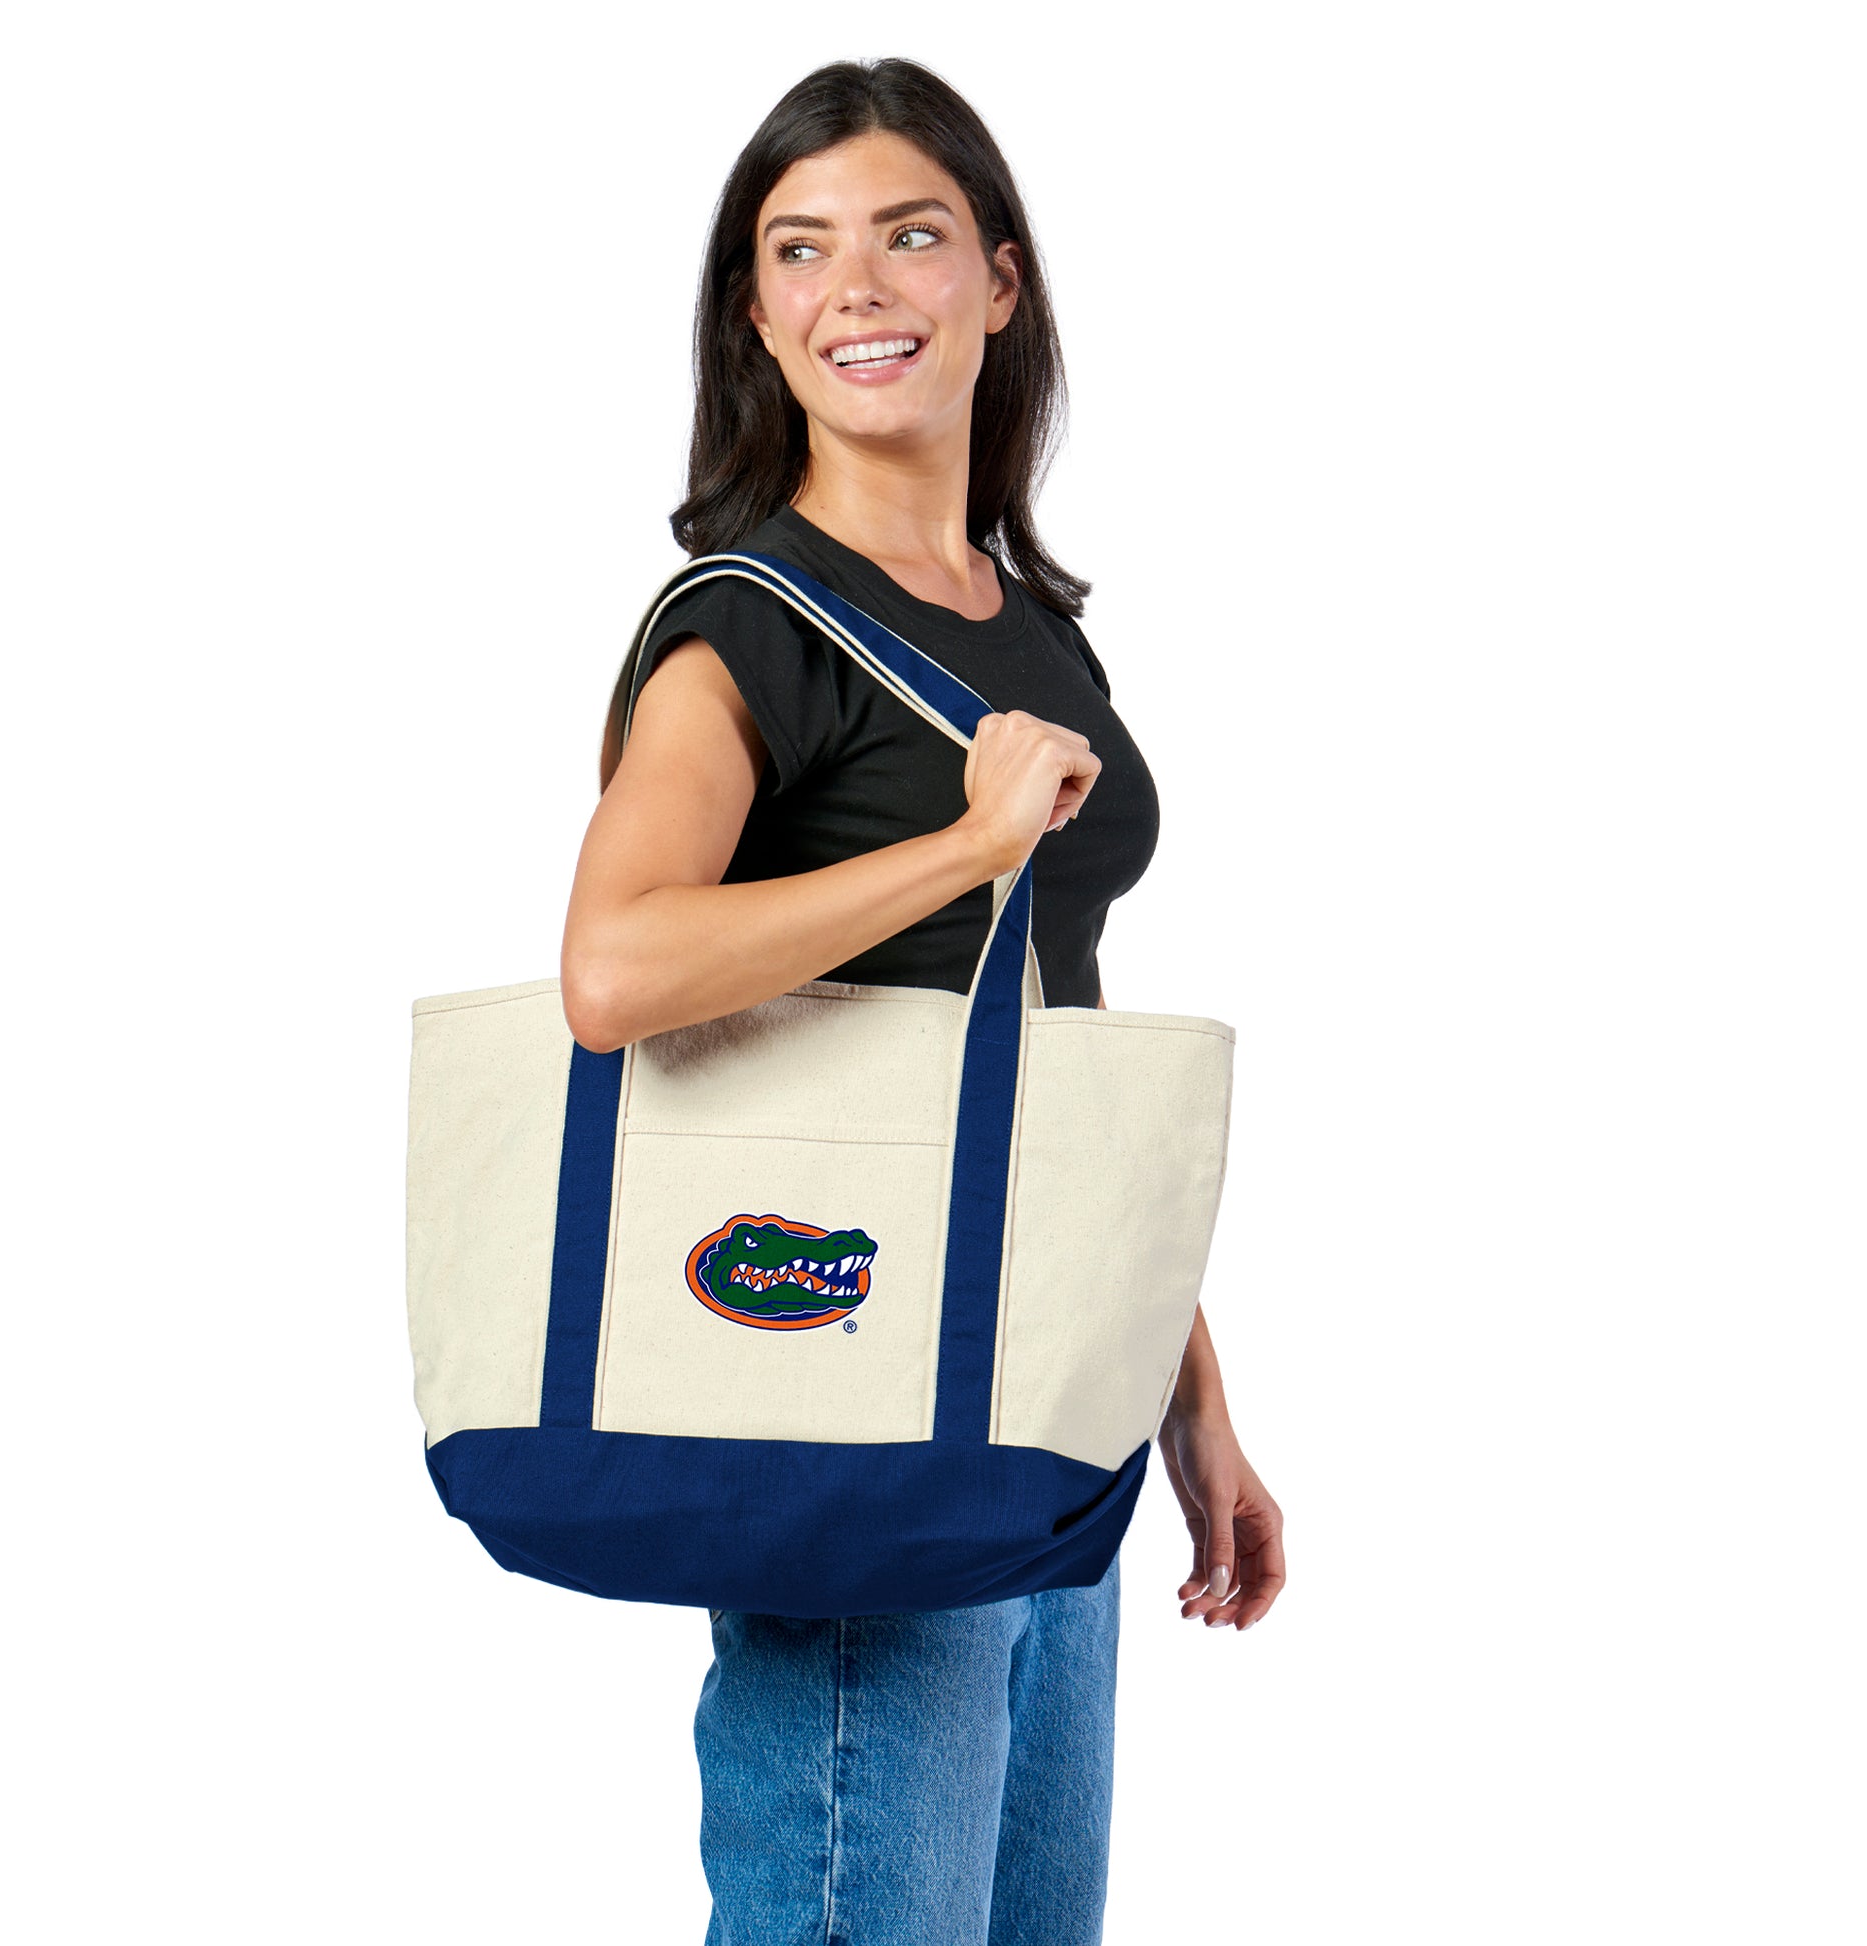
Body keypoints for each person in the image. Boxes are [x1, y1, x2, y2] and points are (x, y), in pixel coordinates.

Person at [559, 57, 1285, 1946]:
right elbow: (614, 966)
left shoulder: (1024, 624)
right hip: (854, 1407)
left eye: (908, 235)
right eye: (798, 250)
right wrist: (963, 846)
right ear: (753, 314)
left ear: (998, 283)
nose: (857, 288)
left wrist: (1188, 1388)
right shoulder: (748, 624)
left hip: (1051, 1413)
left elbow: (1048, 1028)